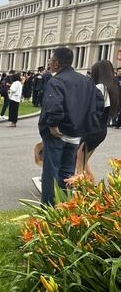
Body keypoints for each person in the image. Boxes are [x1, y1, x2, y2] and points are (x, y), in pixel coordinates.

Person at [39, 48, 103, 205]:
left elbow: (54, 104)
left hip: (57, 133)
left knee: (51, 173)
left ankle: (48, 209)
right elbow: (99, 102)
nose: (49, 64)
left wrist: (53, 125)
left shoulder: (56, 81)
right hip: (76, 133)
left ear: (56, 63)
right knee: (67, 172)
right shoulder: (86, 81)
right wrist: (87, 120)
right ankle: (65, 207)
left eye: (51, 61)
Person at [75, 60, 120, 178]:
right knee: (84, 164)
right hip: (100, 130)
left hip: (92, 130)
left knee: (79, 165)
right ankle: (92, 190)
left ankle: (83, 193)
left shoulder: (100, 87)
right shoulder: (112, 87)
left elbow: (91, 109)